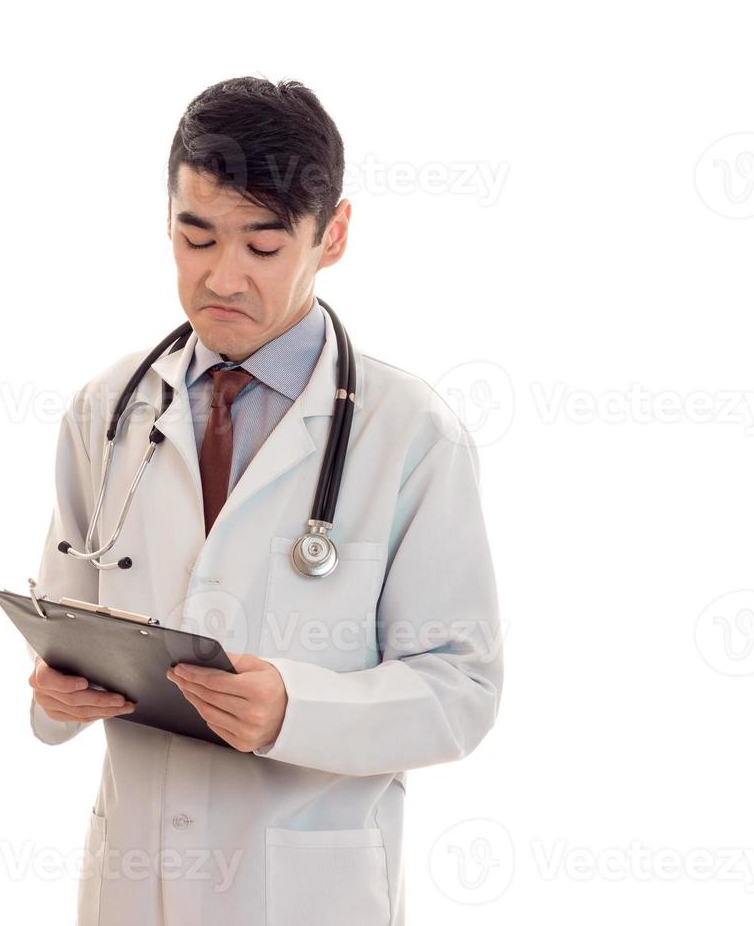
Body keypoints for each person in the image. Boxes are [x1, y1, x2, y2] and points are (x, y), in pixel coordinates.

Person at [27, 76, 502, 925]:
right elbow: (63, 624)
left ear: (335, 235)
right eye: (195, 236)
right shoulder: (106, 413)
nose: (223, 277)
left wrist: (297, 709)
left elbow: (461, 690)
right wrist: (53, 697)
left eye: (264, 246)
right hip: (134, 883)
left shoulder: (412, 433)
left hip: (306, 895)